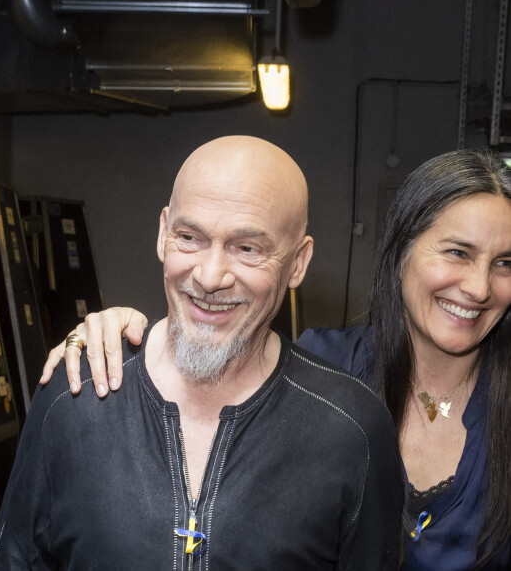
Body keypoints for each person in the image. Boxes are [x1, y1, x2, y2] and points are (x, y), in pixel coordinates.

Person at [43, 148, 511, 570]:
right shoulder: (322, 369)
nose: (478, 287)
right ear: (400, 252)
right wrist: (125, 336)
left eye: (506, 262)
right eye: (457, 252)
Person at [0, 136, 403, 569]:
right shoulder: (75, 394)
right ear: (163, 232)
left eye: (247, 248)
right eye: (190, 237)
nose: (209, 277)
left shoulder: (353, 430)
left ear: (298, 262)